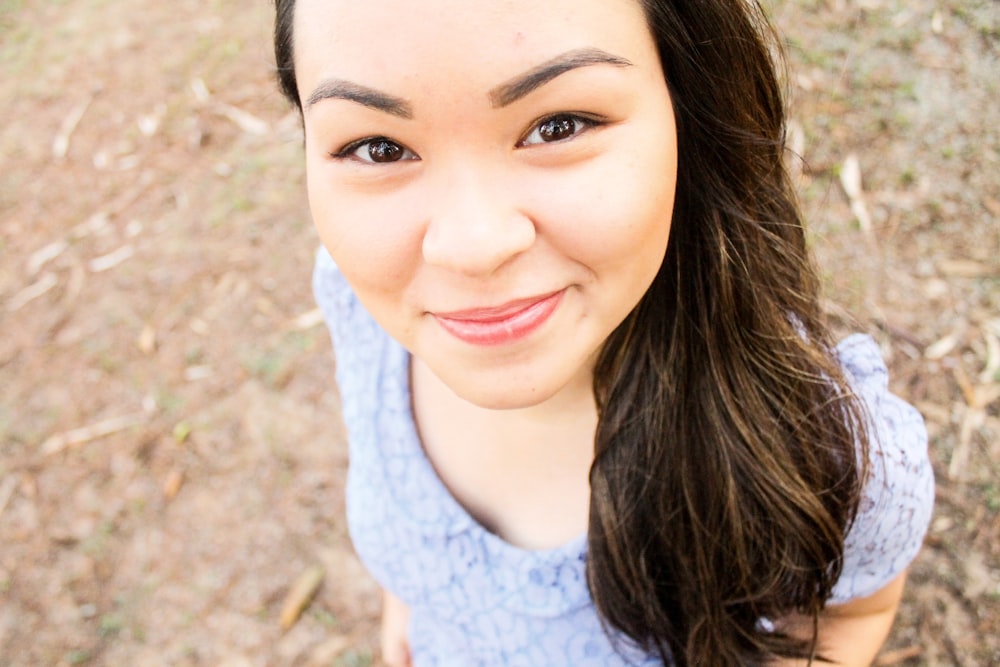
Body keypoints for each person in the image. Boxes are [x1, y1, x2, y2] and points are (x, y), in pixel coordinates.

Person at [272, 0, 934, 664]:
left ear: (691, 112)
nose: (471, 247)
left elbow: (855, 613)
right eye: (376, 146)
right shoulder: (357, 305)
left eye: (558, 126)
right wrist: (413, 599)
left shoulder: (832, 456)